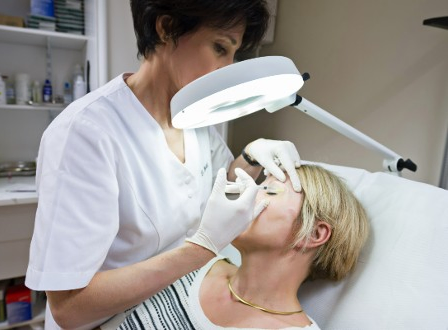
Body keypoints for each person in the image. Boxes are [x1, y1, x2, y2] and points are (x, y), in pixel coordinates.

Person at [25, 1, 303, 329]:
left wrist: (251, 157)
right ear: (166, 27)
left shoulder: (195, 119)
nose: (228, 68)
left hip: (169, 307)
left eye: (233, 54)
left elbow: (217, 183)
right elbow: (69, 307)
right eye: (220, 47)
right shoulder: (86, 134)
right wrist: (201, 249)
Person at [101, 164, 370, 329]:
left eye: (271, 191)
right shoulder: (194, 266)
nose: (248, 193)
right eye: (259, 184)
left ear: (313, 233)